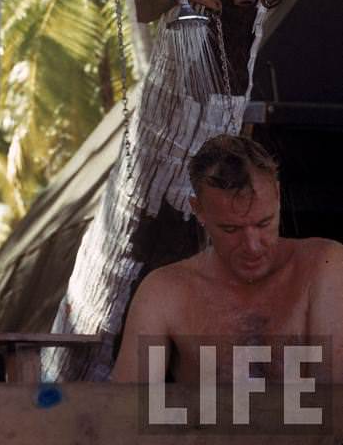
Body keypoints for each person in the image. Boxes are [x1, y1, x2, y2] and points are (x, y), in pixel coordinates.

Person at [110, 134, 343, 383]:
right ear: (198, 209)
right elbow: (128, 411)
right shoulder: (163, 292)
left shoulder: (323, 266)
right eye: (231, 230)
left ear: (277, 194)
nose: (252, 247)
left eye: (264, 223)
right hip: (206, 423)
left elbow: (336, 400)